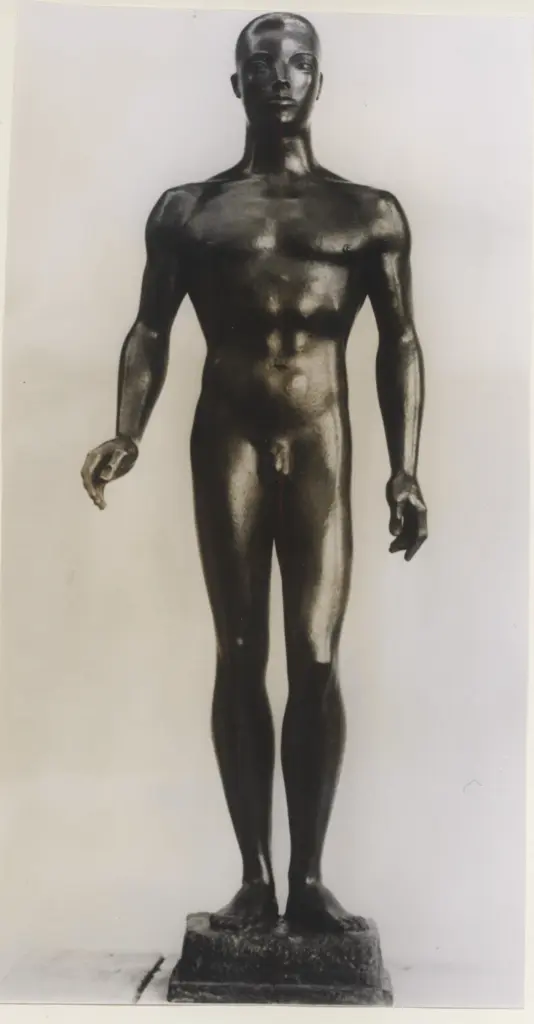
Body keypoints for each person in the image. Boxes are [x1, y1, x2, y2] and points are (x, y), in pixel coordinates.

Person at [81, 11, 427, 933]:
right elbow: (150, 328)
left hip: (320, 443)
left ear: (321, 81)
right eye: (263, 64)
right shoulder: (189, 211)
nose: (282, 77)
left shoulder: (368, 213)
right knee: (239, 652)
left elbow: (399, 341)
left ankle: (308, 879)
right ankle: (253, 878)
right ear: (237, 84)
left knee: (315, 658)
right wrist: (126, 429)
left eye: (300, 63)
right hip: (227, 439)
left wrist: (405, 469)